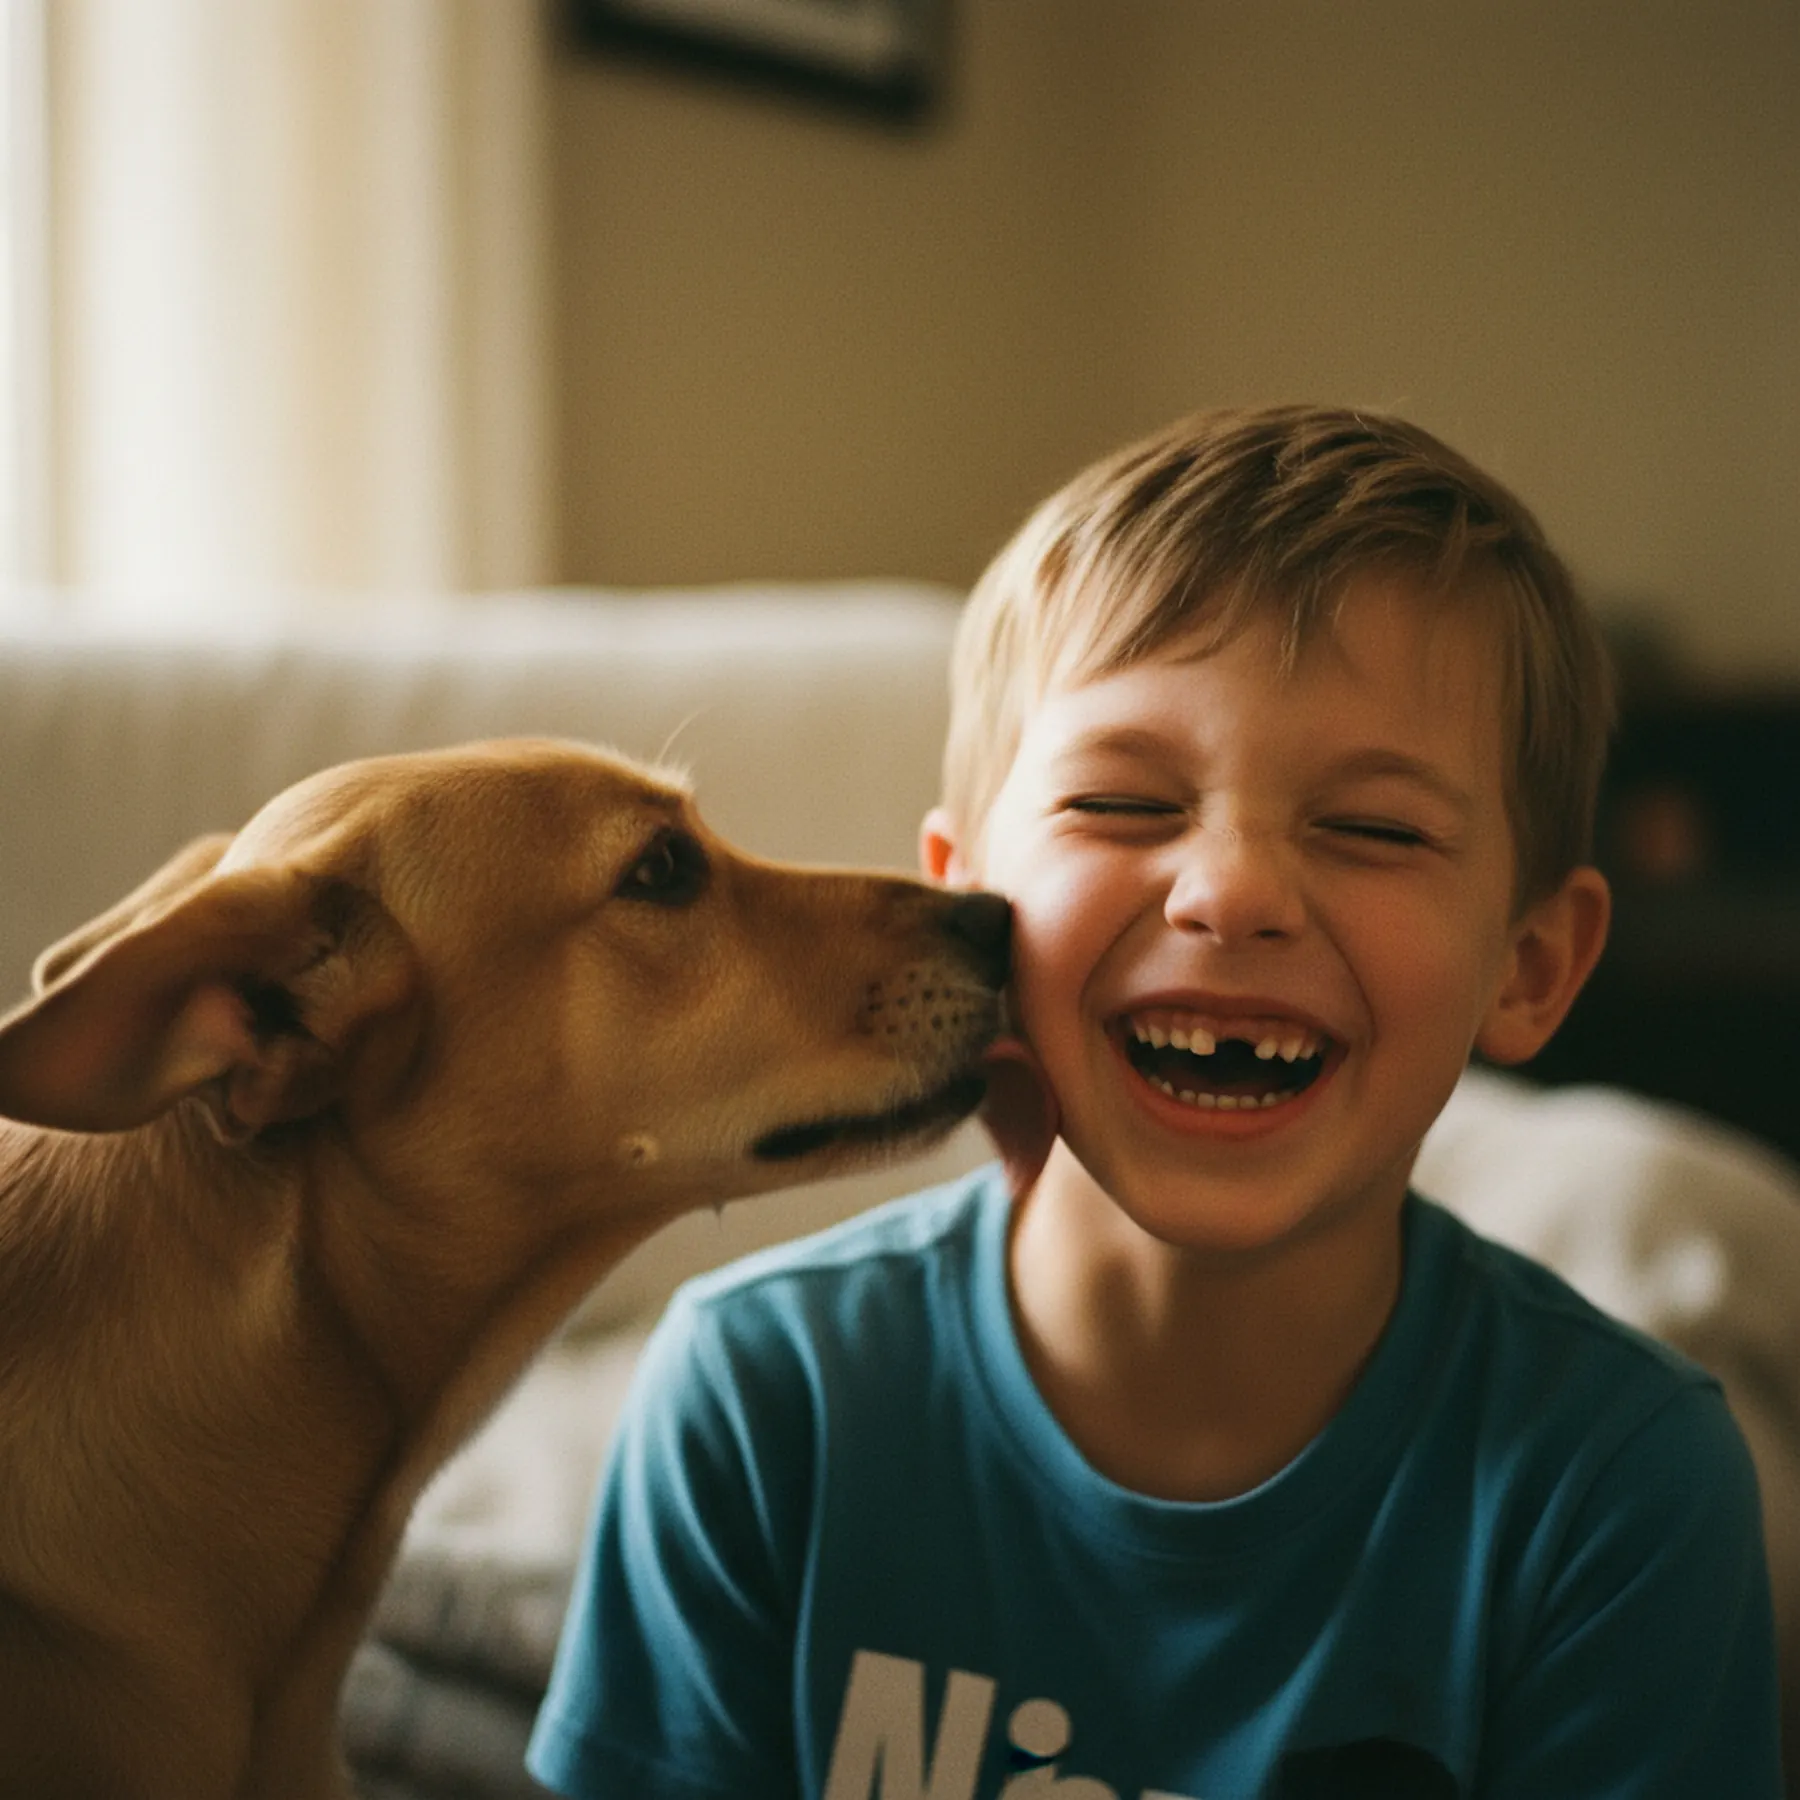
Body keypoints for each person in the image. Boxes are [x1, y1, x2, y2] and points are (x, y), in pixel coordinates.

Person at [526, 406, 1783, 1799]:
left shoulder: (1620, 1489)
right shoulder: (760, 1408)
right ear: (963, 906)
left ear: (1531, 967)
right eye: (1123, 804)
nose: (1231, 891)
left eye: (1372, 828)